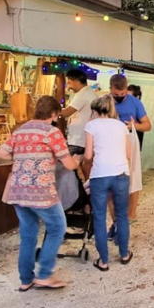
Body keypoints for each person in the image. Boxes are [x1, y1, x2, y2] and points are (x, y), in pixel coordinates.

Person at [0, 96, 79, 291]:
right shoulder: (52, 132)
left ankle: (26, 279)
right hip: (41, 191)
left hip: (18, 190)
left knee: (28, 235)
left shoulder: (21, 130)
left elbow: (0, 153)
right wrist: (76, 160)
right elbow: (68, 164)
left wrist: (21, 159)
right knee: (58, 227)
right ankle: (44, 274)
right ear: (53, 113)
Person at [84, 95, 134, 271]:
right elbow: (128, 154)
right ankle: (124, 254)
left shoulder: (91, 125)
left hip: (100, 175)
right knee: (122, 215)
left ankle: (103, 261)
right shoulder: (121, 126)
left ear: (95, 110)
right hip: (121, 174)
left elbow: (88, 156)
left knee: (99, 217)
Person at [109, 74, 149, 224]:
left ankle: (132, 214)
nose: (119, 97)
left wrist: (134, 126)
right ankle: (115, 217)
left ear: (126, 89)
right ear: (110, 89)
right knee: (111, 179)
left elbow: (147, 125)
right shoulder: (104, 102)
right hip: (110, 143)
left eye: (122, 94)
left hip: (130, 142)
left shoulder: (135, 103)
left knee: (133, 177)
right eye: (116, 95)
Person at [58, 70, 97, 212]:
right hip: (82, 139)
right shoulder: (88, 93)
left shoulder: (83, 94)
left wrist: (50, 112)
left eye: (69, 82)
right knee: (81, 173)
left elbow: (66, 112)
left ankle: (78, 203)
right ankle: (84, 204)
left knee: (67, 171)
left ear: (75, 81)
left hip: (78, 140)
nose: (68, 86)